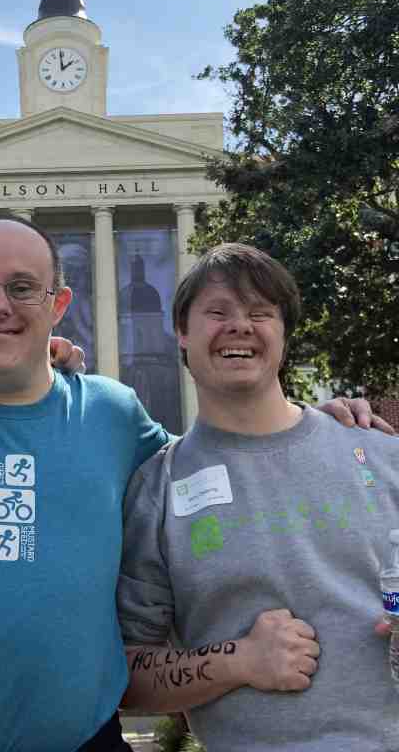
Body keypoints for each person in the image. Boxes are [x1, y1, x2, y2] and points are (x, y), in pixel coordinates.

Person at [0, 221, 383, 752]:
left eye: (23, 288)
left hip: (87, 741)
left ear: (59, 303)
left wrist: (309, 426)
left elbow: (220, 458)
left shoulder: (112, 414)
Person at [117, 243, 399, 751]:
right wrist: (238, 660)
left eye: (259, 313)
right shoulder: (156, 490)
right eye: (217, 312)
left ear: (284, 335)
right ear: (182, 333)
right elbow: (126, 676)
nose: (239, 327)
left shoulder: (379, 453)